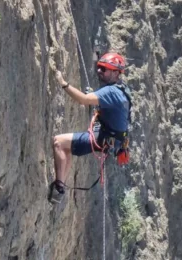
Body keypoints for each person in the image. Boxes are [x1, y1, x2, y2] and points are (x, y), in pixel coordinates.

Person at [48, 52, 131, 204]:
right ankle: (61, 186)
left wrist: (63, 83)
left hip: (103, 139)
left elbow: (83, 100)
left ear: (115, 72)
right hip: (110, 139)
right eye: (99, 67)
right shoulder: (122, 89)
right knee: (67, 148)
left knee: (59, 142)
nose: (99, 71)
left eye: (104, 69)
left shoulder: (111, 92)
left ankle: (59, 187)